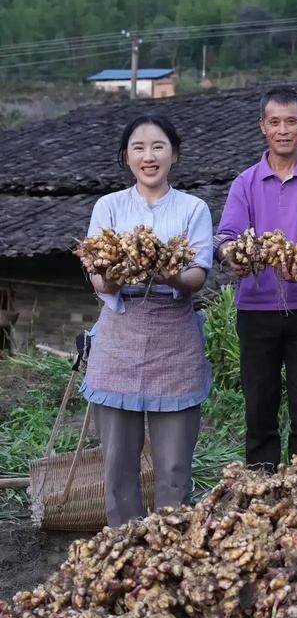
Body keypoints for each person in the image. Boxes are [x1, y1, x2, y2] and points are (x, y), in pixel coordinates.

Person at [81, 113, 213, 527]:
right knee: (119, 463)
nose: (149, 156)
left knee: (173, 466)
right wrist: (114, 271)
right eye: (138, 148)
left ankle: (171, 552)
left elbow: (197, 276)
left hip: (174, 336)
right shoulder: (109, 206)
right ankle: (124, 546)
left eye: (158, 147)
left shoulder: (194, 208)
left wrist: (164, 268)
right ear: (126, 157)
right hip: (119, 334)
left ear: (174, 155)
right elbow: (97, 274)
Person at [214, 86, 297, 470]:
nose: (283, 130)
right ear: (262, 127)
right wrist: (231, 256)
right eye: (274, 122)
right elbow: (226, 237)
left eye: (291, 121)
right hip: (255, 310)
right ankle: (259, 494)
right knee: (259, 409)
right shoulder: (245, 182)